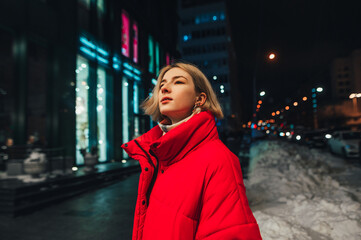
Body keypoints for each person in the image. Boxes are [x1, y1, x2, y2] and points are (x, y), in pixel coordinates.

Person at [122, 62, 262, 240]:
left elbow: (230, 233)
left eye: (178, 82)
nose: (164, 89)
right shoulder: (159, 156)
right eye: (162, 84)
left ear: (200, 99)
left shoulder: (218, 159)